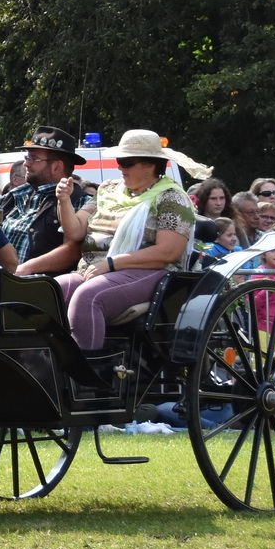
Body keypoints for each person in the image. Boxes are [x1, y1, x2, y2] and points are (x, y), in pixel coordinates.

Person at [55, 129, 206, 380]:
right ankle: (47, 371)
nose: (120, 168)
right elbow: (76, 230)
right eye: (119, 162)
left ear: (150, 166)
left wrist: (112, 264)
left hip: (152, 273)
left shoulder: (172, 197)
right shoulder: (107, 189)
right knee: (47, 290)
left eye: (127, 163)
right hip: (95, 269)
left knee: (87, 298)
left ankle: (87, 384)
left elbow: (168, 252)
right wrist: (64, 201)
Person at [0, 126, 88, 274]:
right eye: (27, 157)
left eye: (34, 159)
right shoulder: (16, 195)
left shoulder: (79, 201)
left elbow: (72, 251)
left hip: (33, 287)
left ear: (56, 167)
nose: (26, 164)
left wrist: (20, 271)